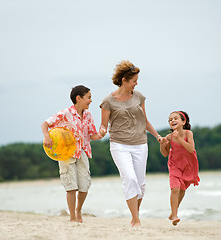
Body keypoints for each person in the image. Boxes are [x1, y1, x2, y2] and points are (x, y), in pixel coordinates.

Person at [99, 60, 161, 227]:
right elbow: (103, 124)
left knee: (141, 184)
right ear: (124, 80)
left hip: (140, 144)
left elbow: (145, 121)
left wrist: (157, 136)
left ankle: (135, 215)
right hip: (119, 145)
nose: (136, 83)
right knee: (130, 178)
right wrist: (102, 131)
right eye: (134, 80)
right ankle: (136, 219)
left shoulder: (139, 97)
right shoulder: (108, 101)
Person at [41, 85, 105, 223]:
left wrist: (100, 135)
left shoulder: (88, 115)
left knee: (84, 186)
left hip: (82, 152)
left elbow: (92, 135)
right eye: (89, 97)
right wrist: (46, 137)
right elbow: (45, 124)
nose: (91, 100)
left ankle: (78, 210)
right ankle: (73, 217)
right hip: (66, 153)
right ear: (78, 98)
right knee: (71, 187)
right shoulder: (65, 113)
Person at [159, 111, 200, 226]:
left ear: (183, 121)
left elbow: (191, 149)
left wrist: (179, 138)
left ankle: (173, 212)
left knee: (182, 189)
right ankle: (175, 215)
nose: (172, 121)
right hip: (174, 165)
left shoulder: (188, 134)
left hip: (188, 165)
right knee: (175, 189)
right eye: (170, 120)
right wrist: (162, 144)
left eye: (175, 118)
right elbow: (165, 153)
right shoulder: (169, 137)